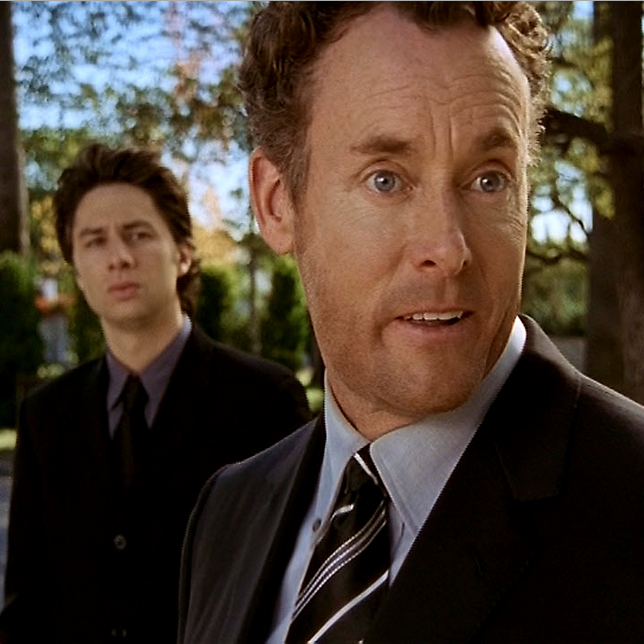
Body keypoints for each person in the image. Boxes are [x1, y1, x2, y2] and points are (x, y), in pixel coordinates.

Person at [178, 2, 644, 642]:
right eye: (386, 180)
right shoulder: (227, 511)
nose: (449, 248)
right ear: (277, 202)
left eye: (489, 180)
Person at [0, 143, 311, 643]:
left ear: (183, 253)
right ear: (77, 270)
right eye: (94, 241)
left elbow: (295, 594)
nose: (119, 257)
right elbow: (25, 608)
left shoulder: (264, 400)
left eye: (138, 234)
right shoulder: (45, 415)